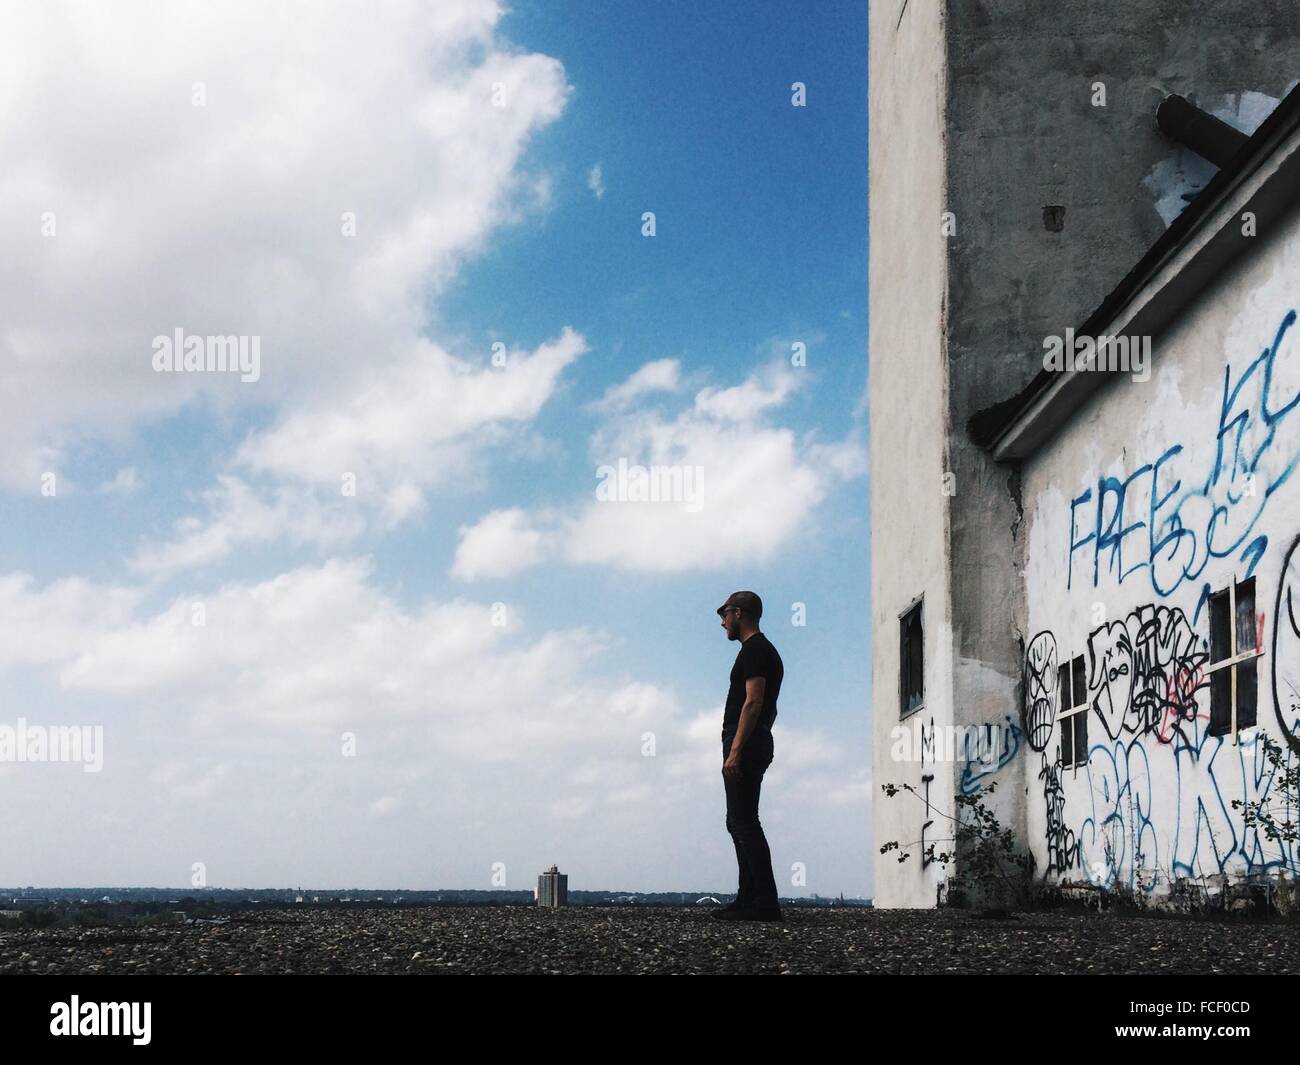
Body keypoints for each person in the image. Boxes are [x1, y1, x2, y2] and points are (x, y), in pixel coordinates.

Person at [712, 590, 784, 921]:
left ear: (739, 613)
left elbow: (754, 702)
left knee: (744, 821)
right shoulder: (761, 651)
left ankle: (765, 903)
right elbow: (770, 708)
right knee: (737, 820)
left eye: (724, 613)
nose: (722, 621)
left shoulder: (756, 650)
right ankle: (749, 898)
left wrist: (737, 749)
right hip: (756, 738)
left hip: (746, 740)